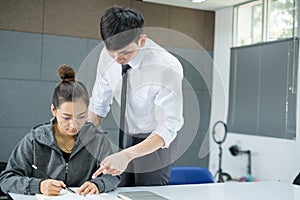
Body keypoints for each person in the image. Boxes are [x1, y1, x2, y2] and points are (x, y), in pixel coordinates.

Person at [89, 6, 184, 186]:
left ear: (142, 41)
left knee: (146, 192)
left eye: (125, 52)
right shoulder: (107, 54)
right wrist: (81, 139)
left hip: (156, 138)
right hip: (127, 130)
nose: (117, 59)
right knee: (118, 187)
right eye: (112, 52)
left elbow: (169, 126)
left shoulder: (166, 67)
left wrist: (127, 154)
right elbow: (99, 104)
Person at [0, 65, 120, 196]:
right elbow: (7, 180)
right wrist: (39, 186)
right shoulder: (34, 140)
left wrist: (98, 184)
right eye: (66, 117)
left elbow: (114, 176)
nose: (74, 125)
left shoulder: (97, 139)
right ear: (54, 110)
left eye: (81, 116)